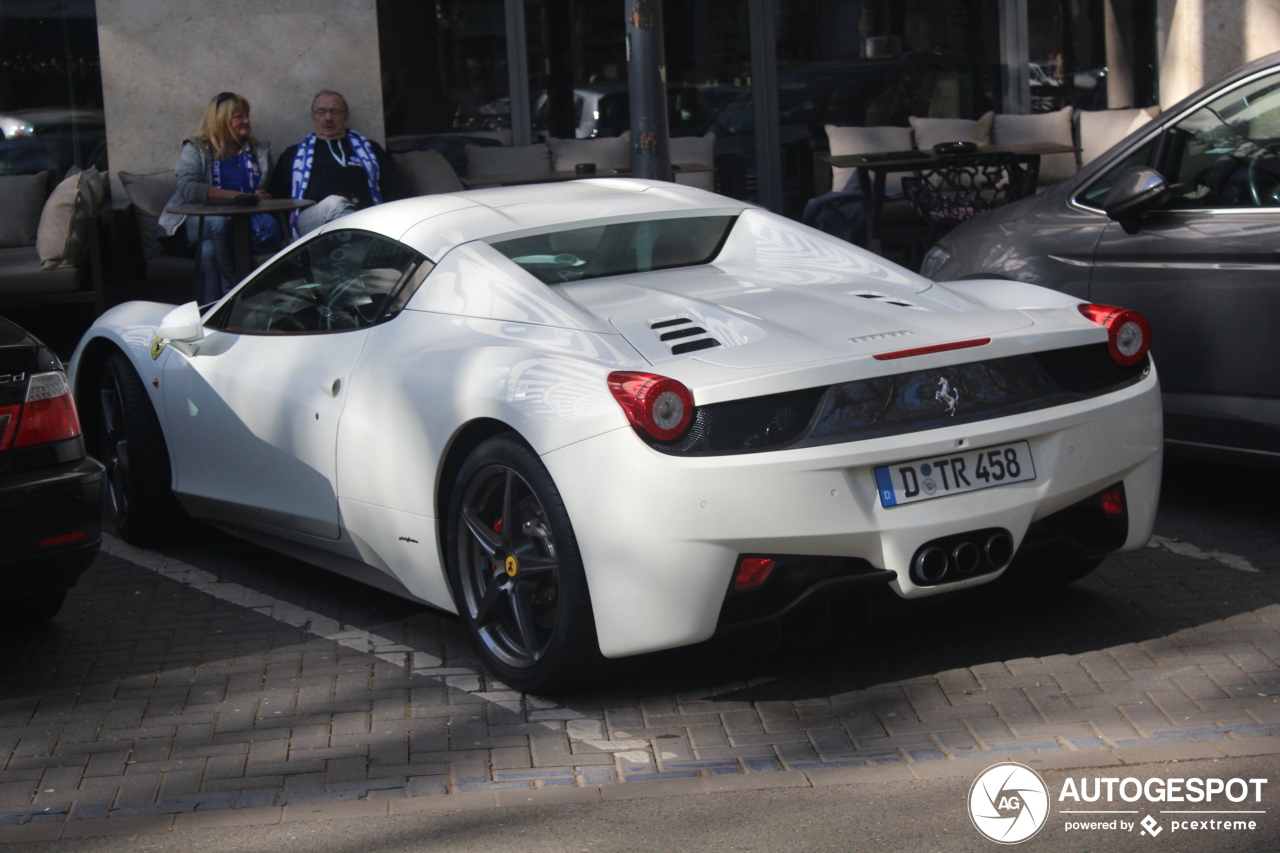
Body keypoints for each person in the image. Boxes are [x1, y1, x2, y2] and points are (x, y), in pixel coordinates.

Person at [158, 92, 281, 303]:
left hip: (240, 223)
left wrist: (257, 196)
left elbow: (257, 192)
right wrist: (239, 196)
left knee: (207, 252)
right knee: (218, 220)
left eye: (246, 115)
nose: (247, 120)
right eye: (239, 116)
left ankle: (210, 313)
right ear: (221, 120)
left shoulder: (258, 152)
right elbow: (188, 188)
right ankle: (234, 291)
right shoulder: (196, 148)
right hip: (196, 221)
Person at [269, 90, 411, 237]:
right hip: (314, 218)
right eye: (321, 112)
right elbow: (277, 199)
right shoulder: (294, 154)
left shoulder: (370, 150)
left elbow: (395, 189)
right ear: (313, 118)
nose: (328, 118)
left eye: (335, 112)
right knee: (334, 204)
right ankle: (362, 239)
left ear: (346, 116)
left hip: (365, 212)